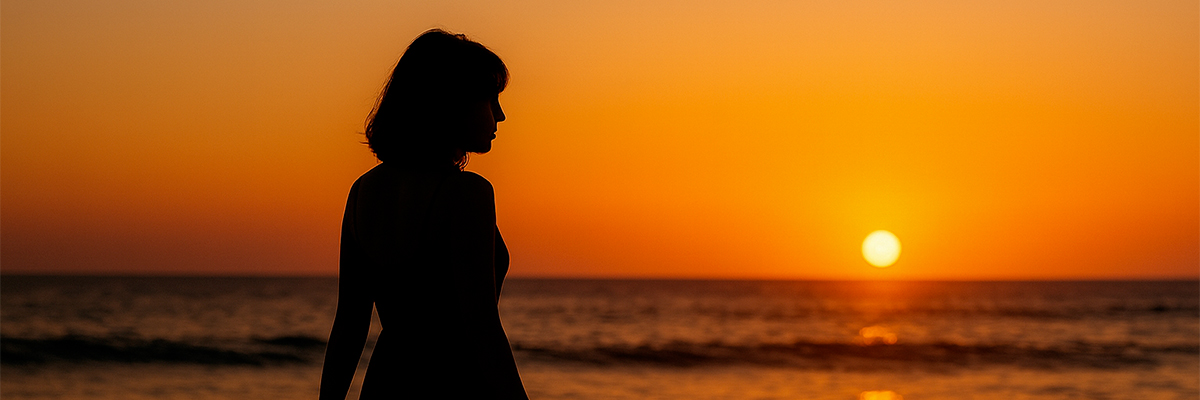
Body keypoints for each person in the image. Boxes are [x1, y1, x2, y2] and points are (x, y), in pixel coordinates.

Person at [319, 29, 528, 400]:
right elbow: (481, 327)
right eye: (489, 99)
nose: (501, 114)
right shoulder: (466, 193)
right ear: (452, 101)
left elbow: (349, 328)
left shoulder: (363, 192)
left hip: (385, 384)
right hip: (453, 384)